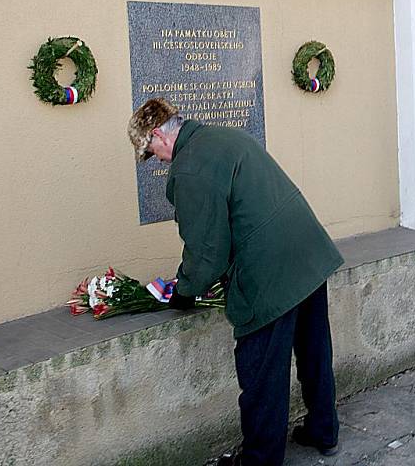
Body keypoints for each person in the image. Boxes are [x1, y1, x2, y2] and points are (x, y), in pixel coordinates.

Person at [127, 99, 342, 466]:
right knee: (314, 352)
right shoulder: (223, 136)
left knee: (261, 375)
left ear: (158, 134)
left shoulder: (189, 166)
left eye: (152, 152)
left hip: (269, 272)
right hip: (307, 254)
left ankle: (260, 460)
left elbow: (207, 247)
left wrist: (184, 290)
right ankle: (323, 430)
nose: (158, 161)